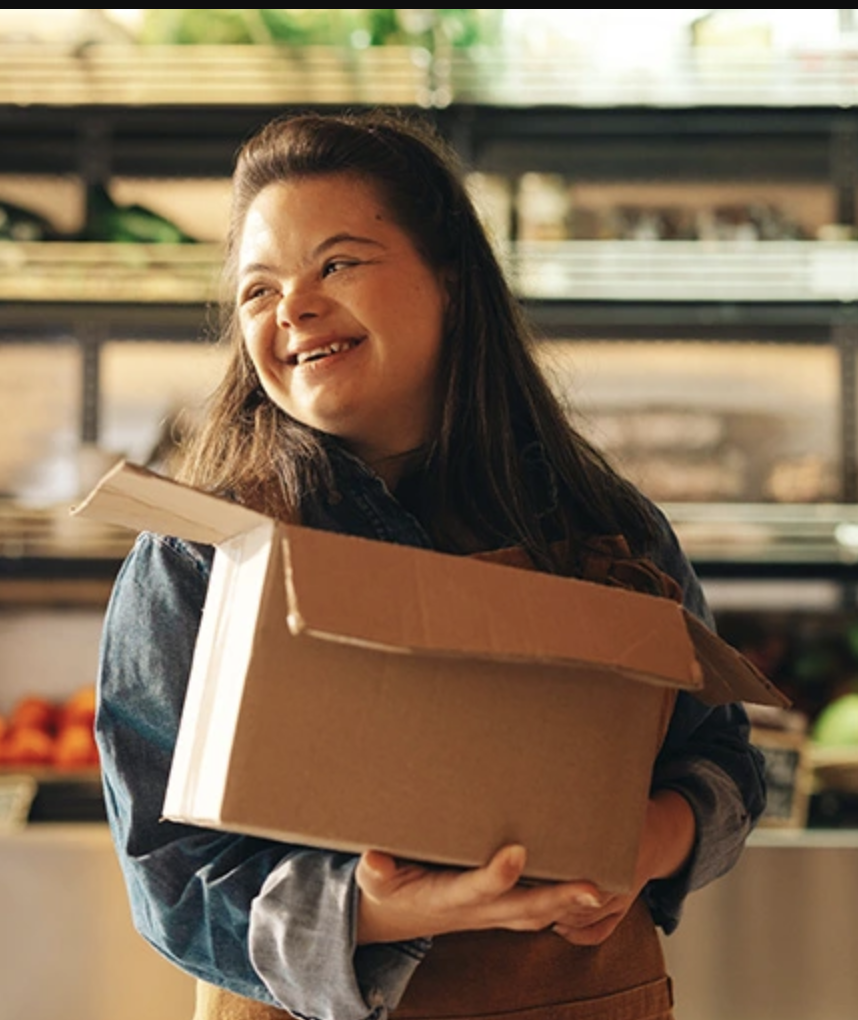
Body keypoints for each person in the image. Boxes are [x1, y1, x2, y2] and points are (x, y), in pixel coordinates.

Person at [95, 109, 767, 1020]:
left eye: (337, 264)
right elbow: (170, 877)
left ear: (449, 278)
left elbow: (720, 759)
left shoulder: (604, 527)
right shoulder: (204, 553)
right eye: (259, 290)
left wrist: (643, 842)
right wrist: (380, 910)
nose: (292, 307)